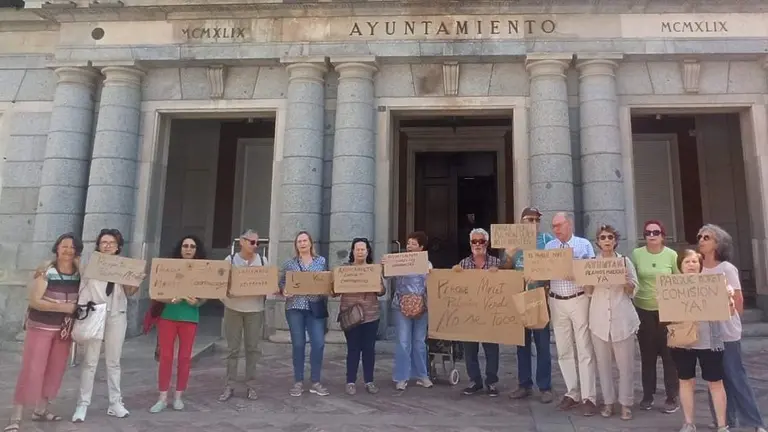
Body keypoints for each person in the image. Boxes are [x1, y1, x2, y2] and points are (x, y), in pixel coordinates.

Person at [5, 233, 83, 432]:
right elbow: (35, 300)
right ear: (57, 248)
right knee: (32, 369)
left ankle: (41, 410)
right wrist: (64, 307)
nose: (68, 250)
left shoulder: (78, 273)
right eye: (64, 246)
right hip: (40, 326)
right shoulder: (46, 271)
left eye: (72, 247)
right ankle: (16, 416)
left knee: (55, 370)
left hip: (63, 330)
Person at [699, 224, 767, 432]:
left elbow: (738, 300)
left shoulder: (727, 268)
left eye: (707, 237)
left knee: (735, 376)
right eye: (700, 236)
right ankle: (723, 418)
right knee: (714, 378)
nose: (701, 239)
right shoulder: (697, 267)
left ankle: (754, 421)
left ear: (718, 243)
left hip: (726, 331)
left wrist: (727, 315)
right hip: (704, 333)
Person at [73, 229, 140, 422]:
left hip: (117, 314)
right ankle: (82, 404)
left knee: (114, 361)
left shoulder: (124, 266)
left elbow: (131, 291)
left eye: (111, 242)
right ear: (98, 245)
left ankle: (115, 402)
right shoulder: (91, 265)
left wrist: (135, 279)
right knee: (90, 361)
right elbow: (83, 288)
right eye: (104, 242)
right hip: (95, 313)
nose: (108, 245)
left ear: (118, 246)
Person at [544, 212, 598, 416]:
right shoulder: (549, 247)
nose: (556, 230)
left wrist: (575, 272)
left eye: (559, 225)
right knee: (564, 349)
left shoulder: (584, 245)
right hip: (557, 300)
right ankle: (572, 392)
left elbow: (592, 273)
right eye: (553, 226)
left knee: (584, 348)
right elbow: (542, 271)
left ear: (570, 224)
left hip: (578, 298)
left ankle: (589, 397)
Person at [583, 225, 639, 420]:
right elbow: (588, 292)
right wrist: (586, 282)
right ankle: (608, 402)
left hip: (622, 319)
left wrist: (625, 282)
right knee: (603, 365)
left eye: (610, 237)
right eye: (602, 237)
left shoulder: (624, 261)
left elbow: (634, 289)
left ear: (615, 241)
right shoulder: (591, 263)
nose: (606, 240)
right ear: (598, 242)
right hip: (598, 320)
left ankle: (626, 403)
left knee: (626, 366)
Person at [671, 248, 729, 432]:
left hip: (710, 340)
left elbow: (730, 312)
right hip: (683, 340)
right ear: (680, 265)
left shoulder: (713, 284)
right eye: (687, 261)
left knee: (716, 382)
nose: (691, 265)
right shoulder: (671, 286)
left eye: (694, 261)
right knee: (685, 380)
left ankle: (722, 425)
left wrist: (727, 297)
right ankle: (689, 423)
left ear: (700, 265)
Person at [502, 207, 555, 404]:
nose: (533, 223)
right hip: (519, 299)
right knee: (521, 346)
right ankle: (524, 384)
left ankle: (545, 387)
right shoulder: (513, 242)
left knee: (542, 346)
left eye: (536, 220)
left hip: (540, 298)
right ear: (521, 221)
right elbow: (505, 269)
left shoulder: (548, 241)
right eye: (529, 219)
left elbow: (556, 267)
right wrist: (508, 255)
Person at [150, 235, 206, 413]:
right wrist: (169, 299)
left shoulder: (202, 270)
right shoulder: (168, 267)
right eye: (185, 246)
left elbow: (206, 294)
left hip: (190, 317)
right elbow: (156, 293)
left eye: (192, 246)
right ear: (180, 248)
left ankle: (179, 396)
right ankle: (162, 396)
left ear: (196, 250)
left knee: (184, 358)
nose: (188, 249)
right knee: (166, 357)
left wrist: (196, 302)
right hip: (168, 315)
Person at [630, 220, 679, 413]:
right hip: (643, 310)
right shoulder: (636, 254)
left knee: (669, 357)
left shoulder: (671, 255)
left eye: (656, 232)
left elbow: (679, 279)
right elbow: (631, 277)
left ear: (662, 235)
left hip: (667, 312)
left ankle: (671, 396)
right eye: (648, 232)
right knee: (647, 356)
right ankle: (648, 395)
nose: (651, 235)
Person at [219, 229, 271, 402]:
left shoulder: (263, 261)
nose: (255, 246)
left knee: (253, 349)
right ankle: (229, 385)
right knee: (232, 350)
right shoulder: (230, 260)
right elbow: (219, 284)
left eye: (257, 243)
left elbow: (269, 285)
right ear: (242, 241)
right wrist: (227, 295)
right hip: (233, 308)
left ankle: (252, 386)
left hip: (255, 310)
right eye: (252, 242)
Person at [278, 231, 330, 397]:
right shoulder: (289, 263)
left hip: (314, 307)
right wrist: (284, 291)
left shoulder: (321, 261)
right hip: (295, 308)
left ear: (310, 243)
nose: (302, 243)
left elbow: (326, 282)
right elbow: (281, 284)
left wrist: (325, 289)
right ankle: (298, 381)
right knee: (298, 344)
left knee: (318, 343)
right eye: (299, 241)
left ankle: (315, 381)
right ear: (296, 245)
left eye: (305, 240)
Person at [452, 228, 501, 397]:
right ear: (470, 243)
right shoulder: (463, 264)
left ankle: (491, 382)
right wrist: (453, 274)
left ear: (487, 243)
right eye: (474, 241)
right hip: (470, 313)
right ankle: (475, 381)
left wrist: (499, 274)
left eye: (481, 241)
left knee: (491, 349)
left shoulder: (496, 263)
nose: (478, 244)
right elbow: (455, 287)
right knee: (470, 350)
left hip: (490, 313)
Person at [338, 238, 386, 395]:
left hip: (371, 316)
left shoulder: (373, 270)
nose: (360, 252)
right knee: (353, 349)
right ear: (352, 251)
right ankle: (350, 381)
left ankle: (369, 381)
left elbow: (382, 291)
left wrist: (379, 286)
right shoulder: (344, 270)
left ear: (367, 251)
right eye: (357, 249)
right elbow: (334, 291)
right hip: (351, 316)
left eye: (363, 249)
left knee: (369, 349)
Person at [389, 231, 434, 391]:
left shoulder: (427, 265)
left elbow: (431, 285)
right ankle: (401, 377)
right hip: (401, 305)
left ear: (421, 248)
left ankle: (422, 375)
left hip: (421, 307)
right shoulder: (399, 262)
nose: (409, 247)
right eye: (408, 243)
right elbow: (387, 276)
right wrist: (385, 266)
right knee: (403, 342)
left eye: (414, 244)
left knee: (419, 342)